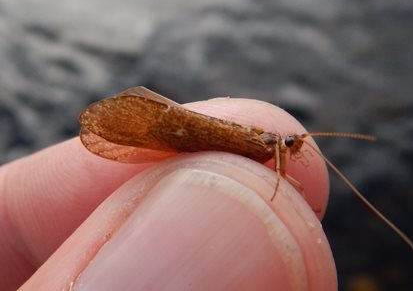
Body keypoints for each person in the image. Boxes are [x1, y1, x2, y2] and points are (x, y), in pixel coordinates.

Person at [0, 97, 336, 290]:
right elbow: (279, 177)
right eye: (292, 145)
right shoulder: (265, 145)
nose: (294, 150)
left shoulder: (269, 146)